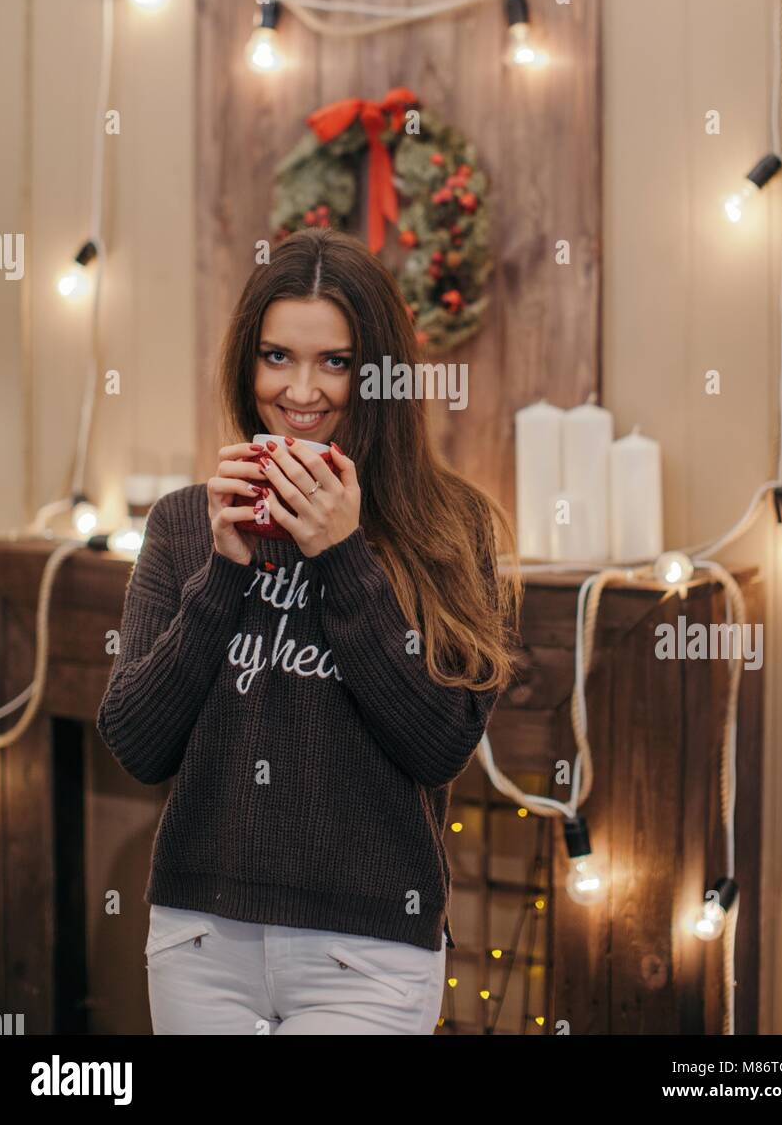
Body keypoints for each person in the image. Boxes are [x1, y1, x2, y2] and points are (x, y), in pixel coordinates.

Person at [97, 227, 522, 1035]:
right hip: (199, 938)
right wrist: (224, 572)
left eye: (335, 362)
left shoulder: (449, 525)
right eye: (277, 356)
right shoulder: (188, 523)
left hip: (367, 955)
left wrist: (344, 557)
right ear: (245, 364)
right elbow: (137, 744)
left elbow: (439, 747)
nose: (302, 390)